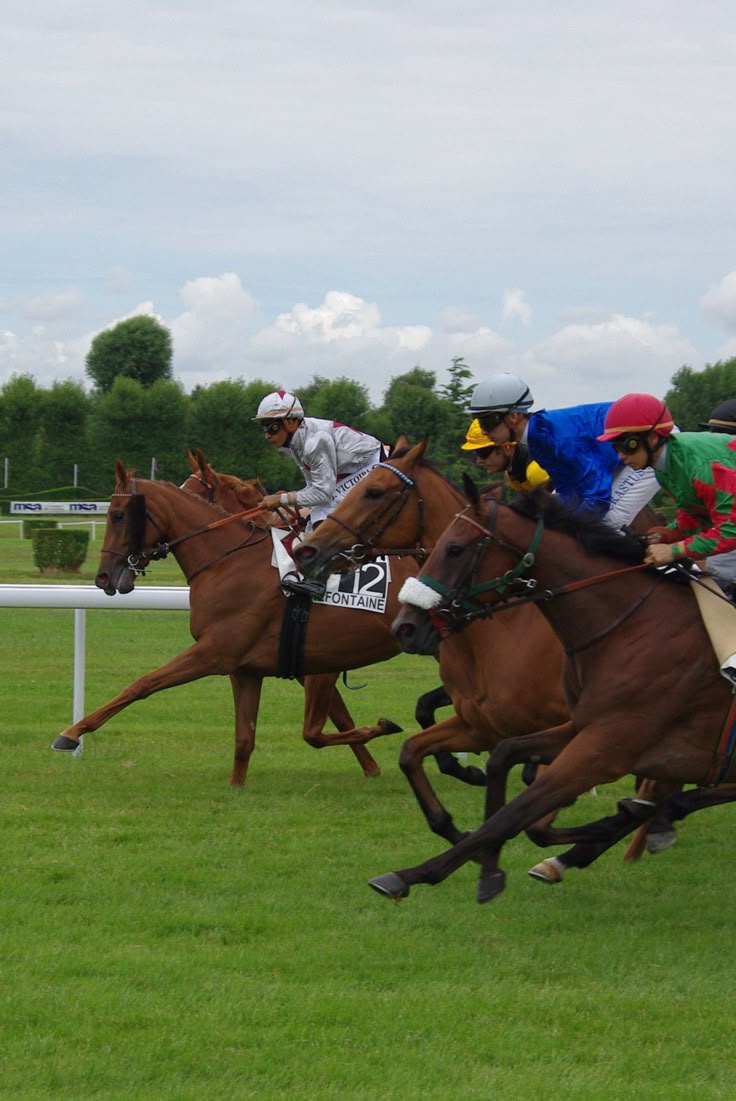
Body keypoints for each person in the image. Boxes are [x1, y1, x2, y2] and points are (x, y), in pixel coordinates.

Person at [596, 392, 736, 682]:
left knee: (721, 574)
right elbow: (696, 512)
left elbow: (730, 530)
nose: (621, 456)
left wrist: (675, 550)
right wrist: (672, 533)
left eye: (627, 445)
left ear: (653, 437)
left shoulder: (702, 465)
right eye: (616, 447)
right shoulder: (664, 467)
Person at [468, 373, 659, 529]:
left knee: (607, 521)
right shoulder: (536, 440)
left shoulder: (556, 439)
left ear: (514, 416)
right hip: (615, 459)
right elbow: (569, 490)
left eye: (487, 421)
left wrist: (565, 527)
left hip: (648, 445)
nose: (484, 431)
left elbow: (598, 497)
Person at [254, 389, 384, 595]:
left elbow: (323, 493)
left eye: (272, 427)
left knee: (323, 513)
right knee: (314, 516)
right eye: (264, 427)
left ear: (290, 423)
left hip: (374, 465)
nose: (267, 435)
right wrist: (296, 503)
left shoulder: (314, 442)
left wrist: (281, 500)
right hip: (350, 470)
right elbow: (314, 487)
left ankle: (320, 579)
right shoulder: (297, 442)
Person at [461, 418, 550, 491]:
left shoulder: (535, 471)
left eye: (482, 453)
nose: (479, 461)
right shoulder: (512, 472)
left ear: (507, 448)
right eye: (476, 453)